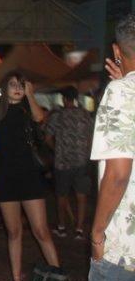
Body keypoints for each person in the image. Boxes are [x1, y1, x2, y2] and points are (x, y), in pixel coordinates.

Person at [76, 14, 135, 281]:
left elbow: (118, 173)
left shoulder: (121, 92)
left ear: (116, 50)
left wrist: (97, 233)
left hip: (125, 251)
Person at [0, 71, 60, 281]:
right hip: (5, 178)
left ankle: (59, 279)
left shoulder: (27, 110)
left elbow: (41, 119)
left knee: (41, 230)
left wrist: (31, 95)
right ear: (5, 88)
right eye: (13, 84)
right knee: (13, 232)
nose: (17, 88)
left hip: (30, 177)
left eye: (21, 85)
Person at [44, 85, 93, 239]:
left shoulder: (57, 116)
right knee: (81, 196)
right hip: (81, 160)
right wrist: (86, 154)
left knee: (61, 195)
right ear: (76, 98)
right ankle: (79, 228)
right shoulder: (85, 115)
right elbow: (90, 138)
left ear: (64, 99)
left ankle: (62, 227)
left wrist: (57, 149)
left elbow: (47, 138)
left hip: (62, 162)